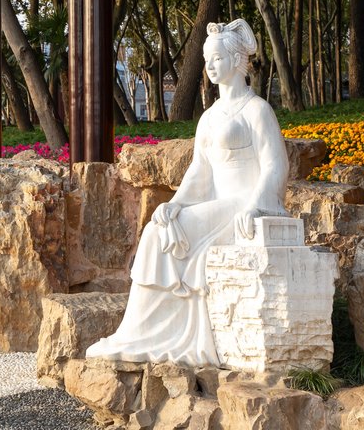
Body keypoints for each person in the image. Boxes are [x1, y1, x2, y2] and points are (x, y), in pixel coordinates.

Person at [86, 19, 289, 366]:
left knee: (157, 237)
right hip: (217, 203)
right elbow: (200, 170)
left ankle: (148, 333)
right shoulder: (209, 117)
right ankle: (140, 331)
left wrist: (256, 206)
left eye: (217, 59)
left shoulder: (257, 110)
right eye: (207, 59)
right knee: (158, 228)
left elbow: (275, 165)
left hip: (242, 205)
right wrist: (176, 203)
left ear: (238, 60)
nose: (209, 66)